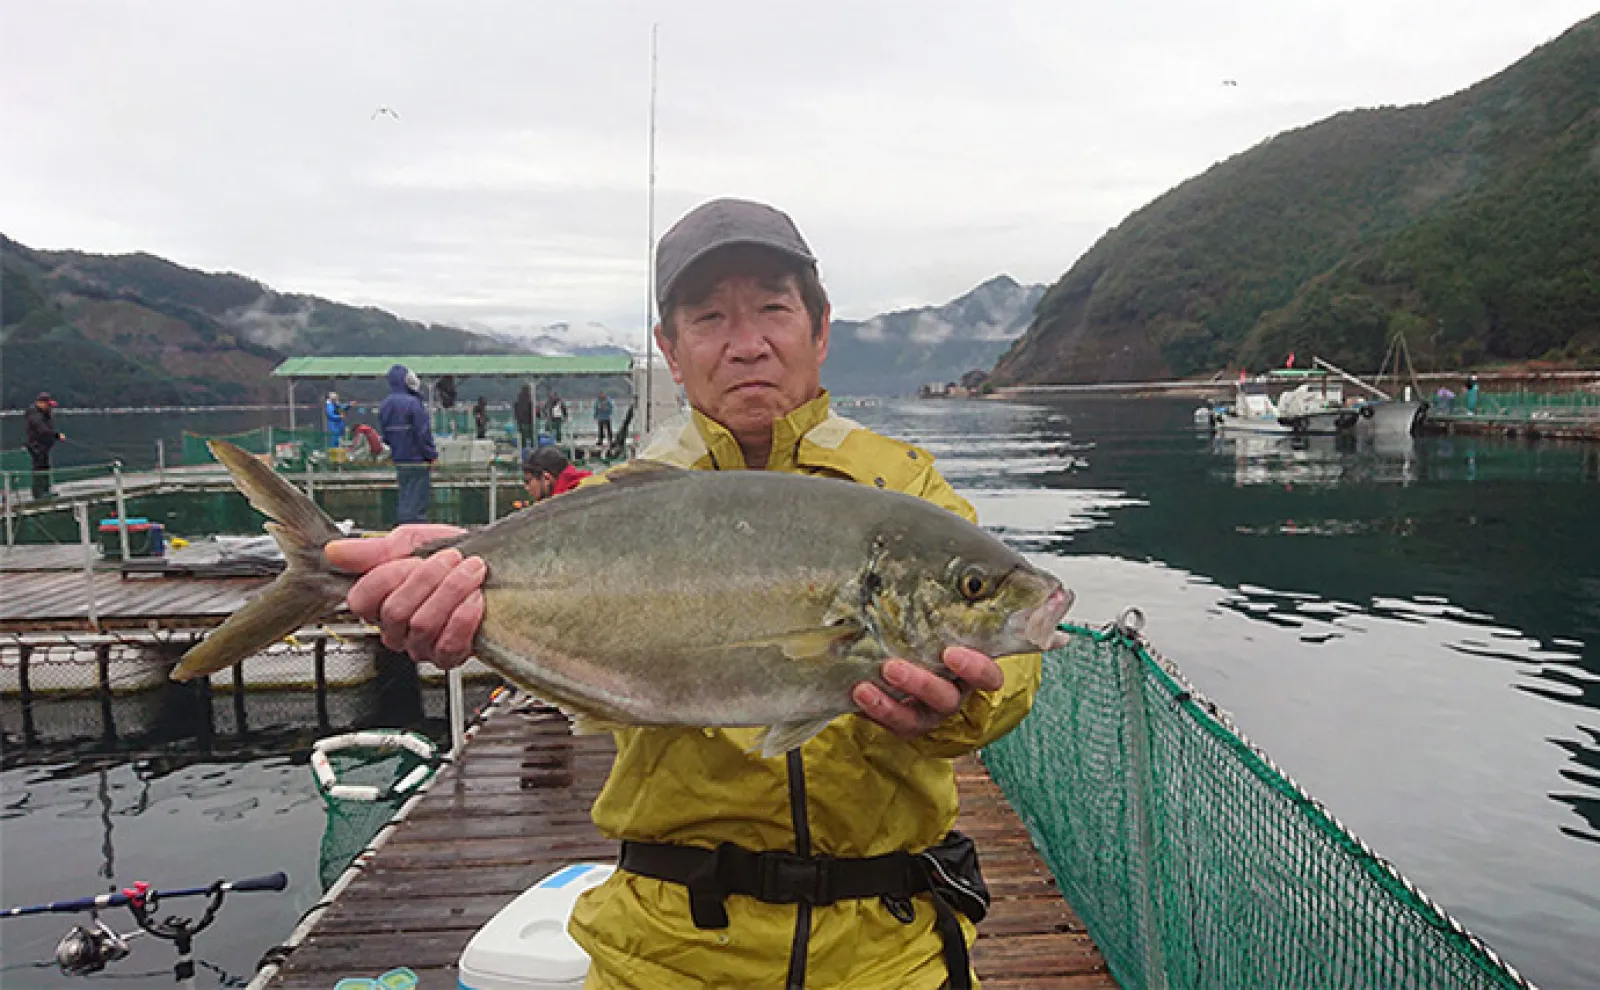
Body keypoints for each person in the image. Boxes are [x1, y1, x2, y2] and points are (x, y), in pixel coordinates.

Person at [322, 198, 1039, 990]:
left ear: (820, 328)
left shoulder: (908, 491)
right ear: (671, 347)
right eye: (709, 318)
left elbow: (1014, 672)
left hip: (888, 950)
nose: (747, 344)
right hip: (665, 950)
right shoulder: (618, 500)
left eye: (773, 309)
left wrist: (966, 702)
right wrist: (448, 588)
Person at [378, 364, 436, 524]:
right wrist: (431, 455)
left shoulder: (385, 404)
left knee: (405, 494)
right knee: (418, 498)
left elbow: (385, 435)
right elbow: (423, 433)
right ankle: (415, 531)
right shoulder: (413, 403)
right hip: (418, 460)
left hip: (399, 459)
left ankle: (403, 527)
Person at [518, 446, 592, 507]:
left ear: (546, 478)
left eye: (528, 481)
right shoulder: (590, 485)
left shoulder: (564, 506)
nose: (526, 487)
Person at [24, 392, 65, 499]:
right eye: (48, 404)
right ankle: (38, 494)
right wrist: (56, 435)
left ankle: (46, 491)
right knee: (39, 470)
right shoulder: (34, 415)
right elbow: (42, 429)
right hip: (37, 447)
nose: (49, 407)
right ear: (40, 403)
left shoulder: (44, 414)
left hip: (45, 447)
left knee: (45, 469)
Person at [513, 385, 536, 450]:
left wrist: (517, 420)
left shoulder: (518, 401)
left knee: (522, 437)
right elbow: (530, 411)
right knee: (530, 436)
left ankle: (523, 449)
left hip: (521, 422)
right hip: (528, 422)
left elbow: (516, 411)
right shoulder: (528, 400)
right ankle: (531, 448)